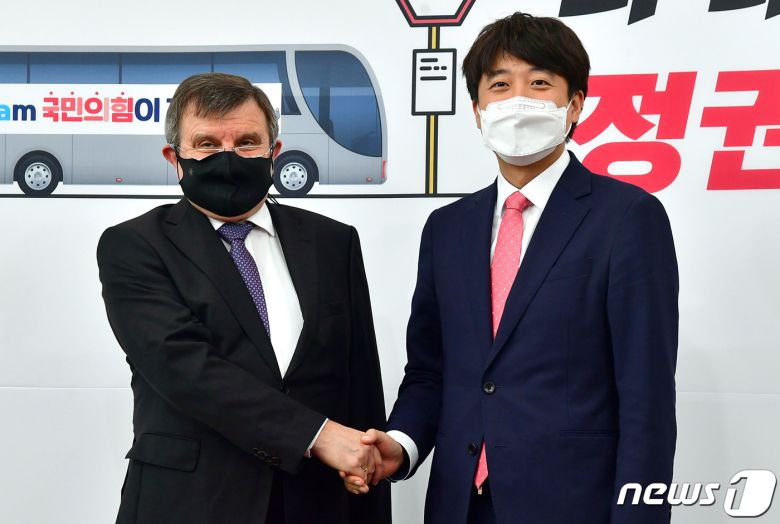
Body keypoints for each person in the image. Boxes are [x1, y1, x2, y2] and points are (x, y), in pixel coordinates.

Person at [344, 12, 678, 524]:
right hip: (459, 504)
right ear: (478, 111)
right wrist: (401, 443)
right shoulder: (447, 228)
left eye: (539, 83)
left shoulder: (628, 217)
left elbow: (646, 397)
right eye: (500, 85)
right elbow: (431, 371)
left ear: (575, 105)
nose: (518, 100)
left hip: (573, 506)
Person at [97, 72, 390, 524]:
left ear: (274, 152)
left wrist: (366, 468)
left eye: (247, 142)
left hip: (319, 503)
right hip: (190, 504)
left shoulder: (333, 241)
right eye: (207, 144)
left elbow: (360, 383)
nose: (228, 157)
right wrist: (318, 436)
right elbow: (183, 366)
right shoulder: (134, 246)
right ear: (175, 158)